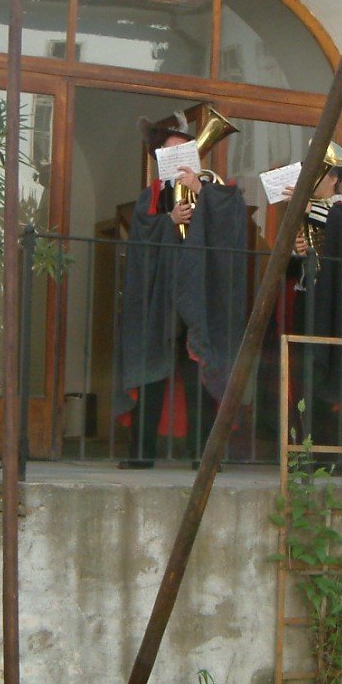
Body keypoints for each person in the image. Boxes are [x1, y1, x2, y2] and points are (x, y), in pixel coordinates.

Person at [115, 112, 248, 468]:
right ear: (160, 159)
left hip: (198, 298)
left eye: (183, 151)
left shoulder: (212, 189)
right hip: (160, 301)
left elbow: (233, 221)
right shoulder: (152, 196)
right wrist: (168, 221)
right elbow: (141, 237)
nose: (177, 158)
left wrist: (203, 191)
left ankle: (202, 456)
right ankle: (142, 455)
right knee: (150, 377)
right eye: (170, 152)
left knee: (199, 377)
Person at [283, 147, 342, 460]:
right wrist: (298, 253)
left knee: (332, 385)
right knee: (304, 382)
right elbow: (296, 269)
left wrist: (311, 211)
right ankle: (306, 449)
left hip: (337, 314)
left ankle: (336, 455)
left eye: (318, 171)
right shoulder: (308, 214)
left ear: (335, 177)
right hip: (308, 305)